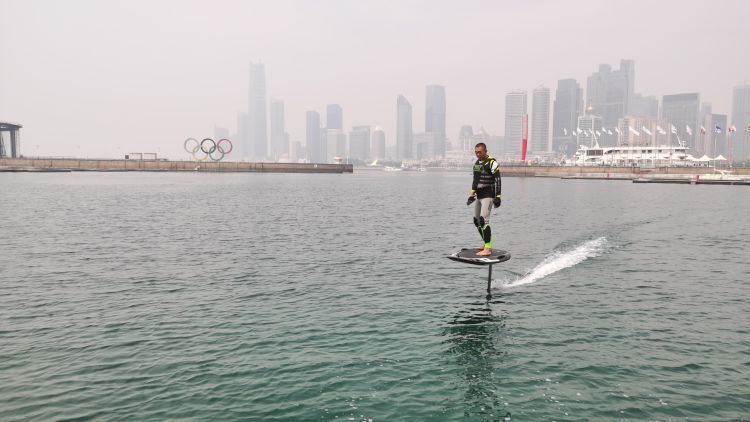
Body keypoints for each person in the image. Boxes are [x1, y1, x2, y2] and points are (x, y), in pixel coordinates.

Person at [467, 143, 502, 256]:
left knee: (483, 220)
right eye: (476, 152)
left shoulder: (492, 163)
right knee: (477, 221)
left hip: (489, 195)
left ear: (485, 151)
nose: (478, 154)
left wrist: (498, 197)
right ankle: (487, 243)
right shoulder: (477, 163)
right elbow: (475, 180)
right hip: (479, 196)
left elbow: (498, 180)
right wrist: (472, 194)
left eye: (480, 152)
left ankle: (487, 248)